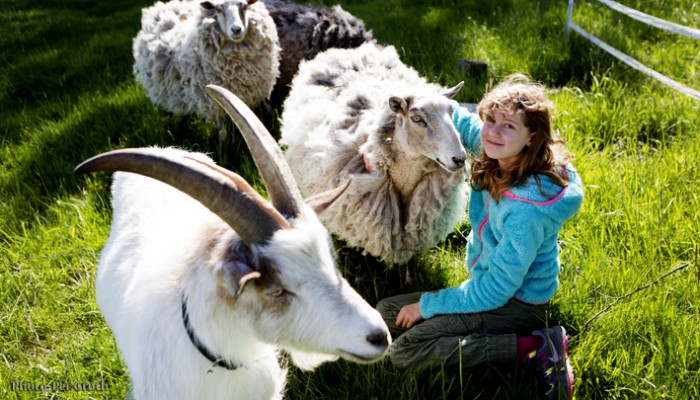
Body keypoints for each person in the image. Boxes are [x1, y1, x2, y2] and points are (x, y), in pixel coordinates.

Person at [376, 73, 583, 400]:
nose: (493, 132)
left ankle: (534, 347)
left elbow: (496, 290)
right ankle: (483, 343)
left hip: (517, 302)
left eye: (508, 126)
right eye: (491, 120)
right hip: (487, 284)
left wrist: (427, 306)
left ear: (532, 136)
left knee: (404, 351)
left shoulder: (526, 211)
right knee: (385, 313)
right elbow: (451, 114)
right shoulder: (495, 150)